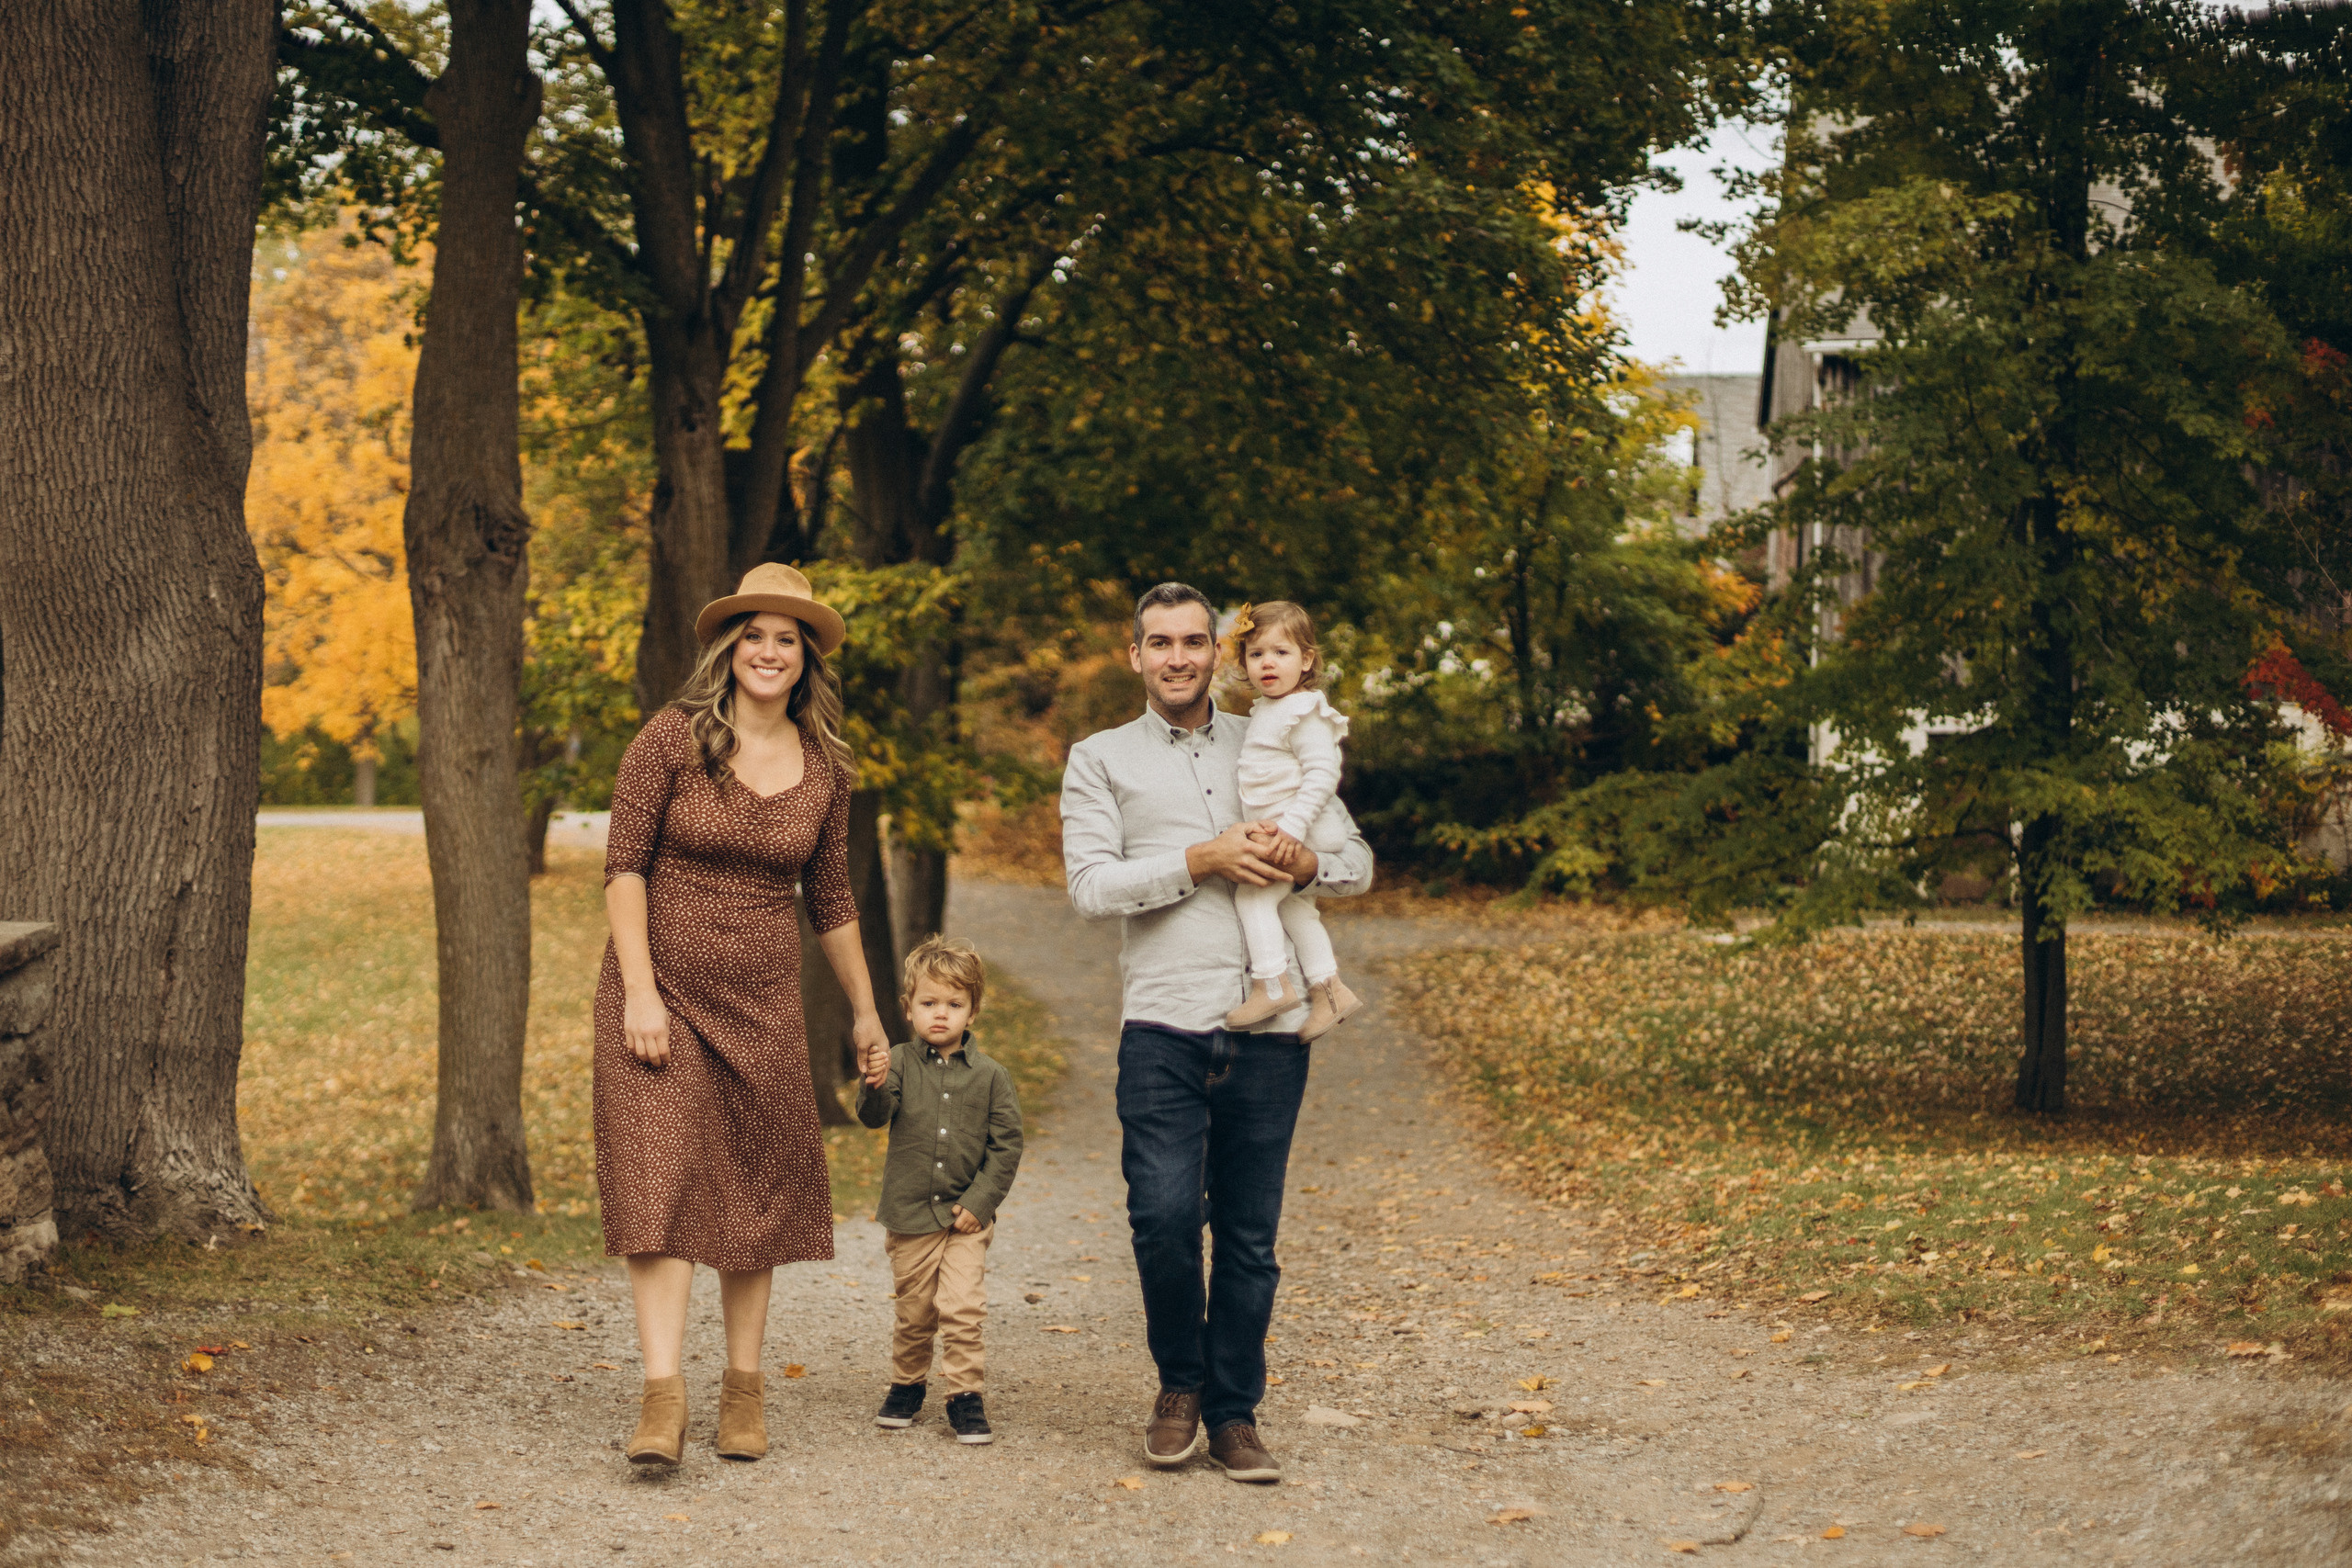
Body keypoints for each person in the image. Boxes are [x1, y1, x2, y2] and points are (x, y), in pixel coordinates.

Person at [1060, 581, 1375, 1483]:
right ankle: (1178, 1385)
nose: (1177, 657)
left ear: (1216, 653)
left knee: (1246, 1236)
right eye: (1159, 642)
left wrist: (1307, 861)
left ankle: (1235, 1413)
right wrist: (1197, 860)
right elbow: (1089, 887)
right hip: (1161, 1025)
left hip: (1268, 1032)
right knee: (1162, 1219)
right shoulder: (1100, 758)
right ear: (1135, 654)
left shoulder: (1270, 733)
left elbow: (1351, 863)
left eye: (1194, 641)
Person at [594, 562, 892, 1467]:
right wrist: (640, 990)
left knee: (754, 1189)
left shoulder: (826, 769)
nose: (770, 650)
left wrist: (868, 1015)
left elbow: (833, 898)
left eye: (787, 638)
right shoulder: (671, 740)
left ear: (806, 659)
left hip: (762, 1004)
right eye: (755, 634)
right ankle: (661, 1397)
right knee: (660, 1183)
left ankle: (744, 1388)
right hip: (660, 999)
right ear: (731, 647)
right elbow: (622, 868)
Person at [856, 935, 1024, 1445]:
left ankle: (964, 1396)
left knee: (962, 1307)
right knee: (916, 1311)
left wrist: (979, 1203)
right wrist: (873, 1084)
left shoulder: (992, 1077)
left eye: (953, 1005)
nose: (940, 1015)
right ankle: (907, 1384)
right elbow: (874, 1118)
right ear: (908, 1009)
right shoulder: (901, 1063)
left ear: (972, 1012)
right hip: (910, 1217)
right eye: (929, 1004)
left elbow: (1006, 1146)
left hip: (964, 1219)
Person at [1224, 601, 1363, 1041]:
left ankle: (1273, 984)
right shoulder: (1268, 710)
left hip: (1298, 828)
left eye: (1281, 653)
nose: (1268, 663)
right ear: (1244, 663)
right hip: (1287, 825)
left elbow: (1324, 773)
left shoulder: (1304, 710)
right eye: (1256, 654)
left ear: (1306, 660)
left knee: (1253, 898)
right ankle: (1331, 990)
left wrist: (1293, 829)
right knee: (1298, 911)